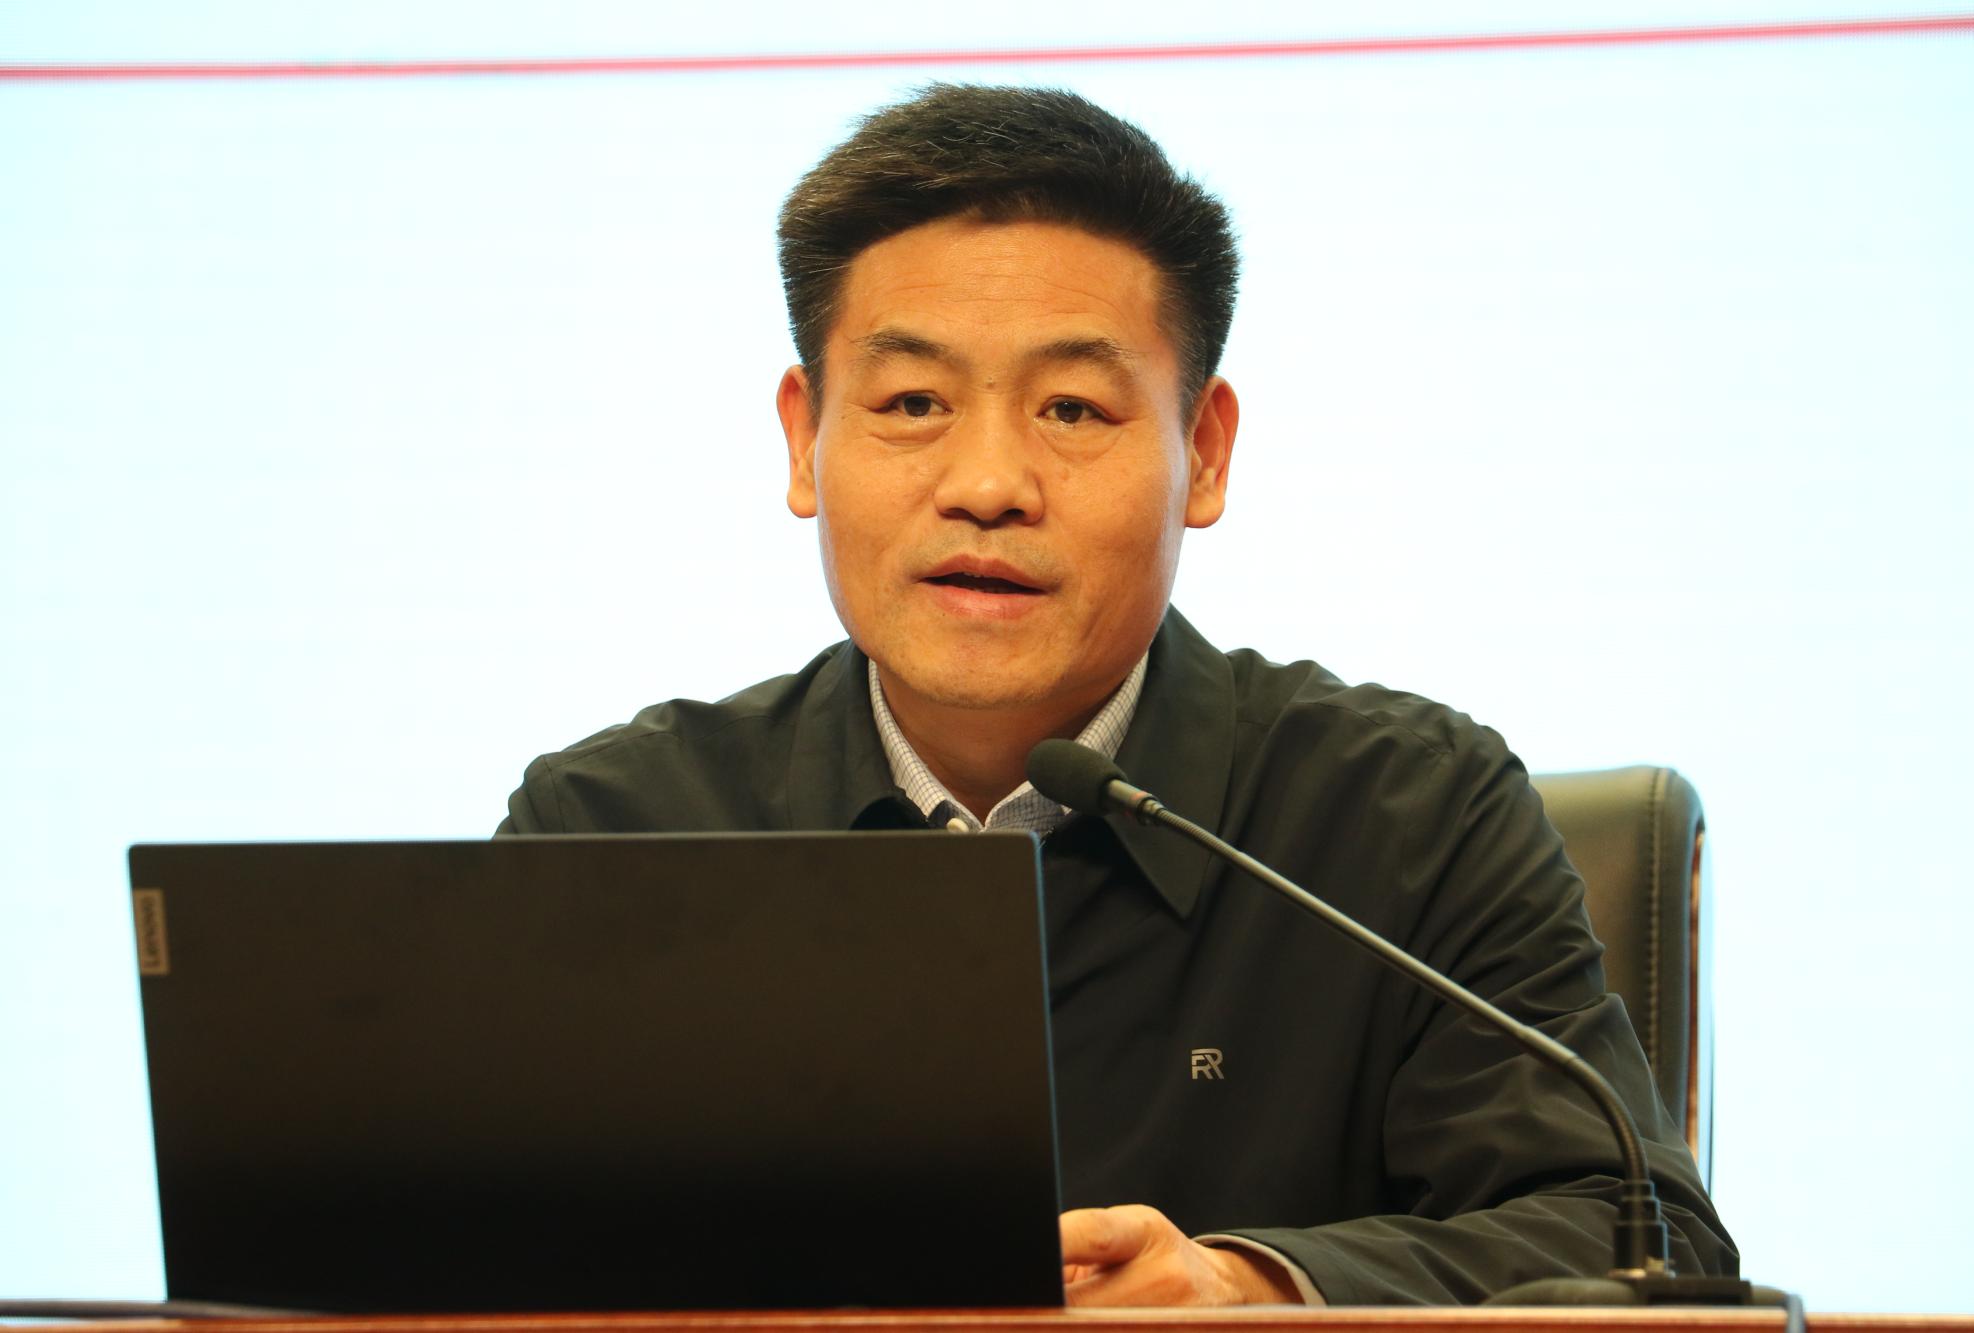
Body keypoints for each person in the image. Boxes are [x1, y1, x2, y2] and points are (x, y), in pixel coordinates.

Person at [500, 82, 1734, 1305]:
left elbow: (1640, 1240)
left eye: (1071, 408)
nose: (988, 484)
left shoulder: (1408, 819)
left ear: (1203, 450)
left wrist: (1255, 1288)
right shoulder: (612, 835)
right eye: (913, 403)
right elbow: (460, 1260)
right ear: (802, 438)